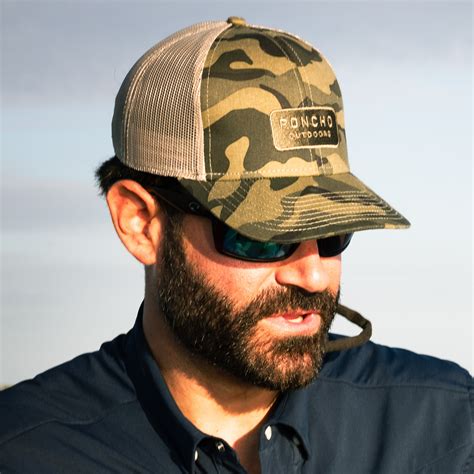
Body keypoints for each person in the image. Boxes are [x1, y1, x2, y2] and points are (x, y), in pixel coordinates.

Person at [1, 17, 472, 474]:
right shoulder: (27, 451)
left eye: (331, 232)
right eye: (261, 236)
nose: (312, 275)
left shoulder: (446, 424)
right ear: (140, 223)